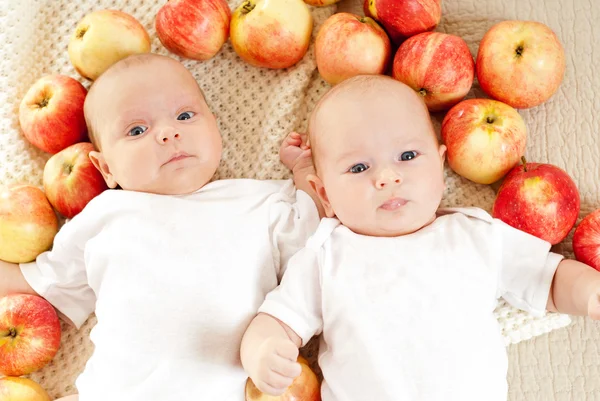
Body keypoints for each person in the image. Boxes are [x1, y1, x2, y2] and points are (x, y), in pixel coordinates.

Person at [240, 74, 600, 401]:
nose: (387, 177)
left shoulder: (475, 235)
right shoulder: (326, 254)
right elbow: (278, 320)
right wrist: (264, 351)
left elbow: (549, 279)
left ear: (441, 170)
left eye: (408, 156)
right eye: (359, 167)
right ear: (326, 196)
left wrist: (588, 292)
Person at [0, 53, 321, 401]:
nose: (169, 133)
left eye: (185, 115)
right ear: (106, 168)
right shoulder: (106, 214)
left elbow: (315, 232)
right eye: (137, 130)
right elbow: (45, 283)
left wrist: (304, 171)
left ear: (214, 125)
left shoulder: (260, 202)